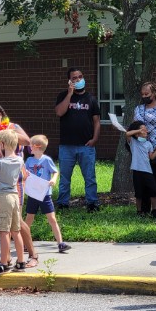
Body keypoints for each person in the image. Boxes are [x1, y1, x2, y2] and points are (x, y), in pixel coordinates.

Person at [55, 67, 101, 210]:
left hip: (86, 145)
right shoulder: (63, 96)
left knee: (90, 177)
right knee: (64, 178)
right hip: (66, 145)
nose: (78, 80)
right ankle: (63, 203)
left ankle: (92, 203)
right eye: (74, 78)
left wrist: (94, 139)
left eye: (80, 77)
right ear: (69, 81)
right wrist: (69, 94)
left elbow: (97, 121)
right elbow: (59, 112)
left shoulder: (91, 99)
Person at [0, 128, 26, 274]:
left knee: (3, 231)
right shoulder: (20, 160)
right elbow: (25, 175)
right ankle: (21, 261)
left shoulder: (0, 163)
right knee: (16, 230)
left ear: (1, 144)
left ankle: (3, 262)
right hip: (15, 195)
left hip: (3, 197)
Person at [22, 135, 70, 253]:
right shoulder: (29, 161)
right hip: (33, 194)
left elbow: (55, 172)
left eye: (30, 145)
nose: (29, 148)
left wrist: (53, 179)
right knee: (29, 219)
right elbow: (24, 173)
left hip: (45, 194)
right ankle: (25, 243)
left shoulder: (47, 160)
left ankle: (60, 243)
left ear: (37, 147)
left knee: (52, 219)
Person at [133, 83, 156, 214]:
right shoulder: (139, 109)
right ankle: (145, 207)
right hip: (143, 148)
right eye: (142, 94)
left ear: (153, 93)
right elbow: (135, 125)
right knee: (144, 177)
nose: (144, 96)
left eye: (146, 94)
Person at [125, 121, 156, 215]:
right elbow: (127, 133)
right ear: (137, 133)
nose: (145, 130)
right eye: (143, 129)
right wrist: (138, 130)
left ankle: (154, 210)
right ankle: (139, 211)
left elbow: (151, 157)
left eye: (145, 129)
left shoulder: (148, 144)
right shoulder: (133, 142)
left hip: (147, 170)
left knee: (153, 190)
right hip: (137, 171)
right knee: (139, 193)